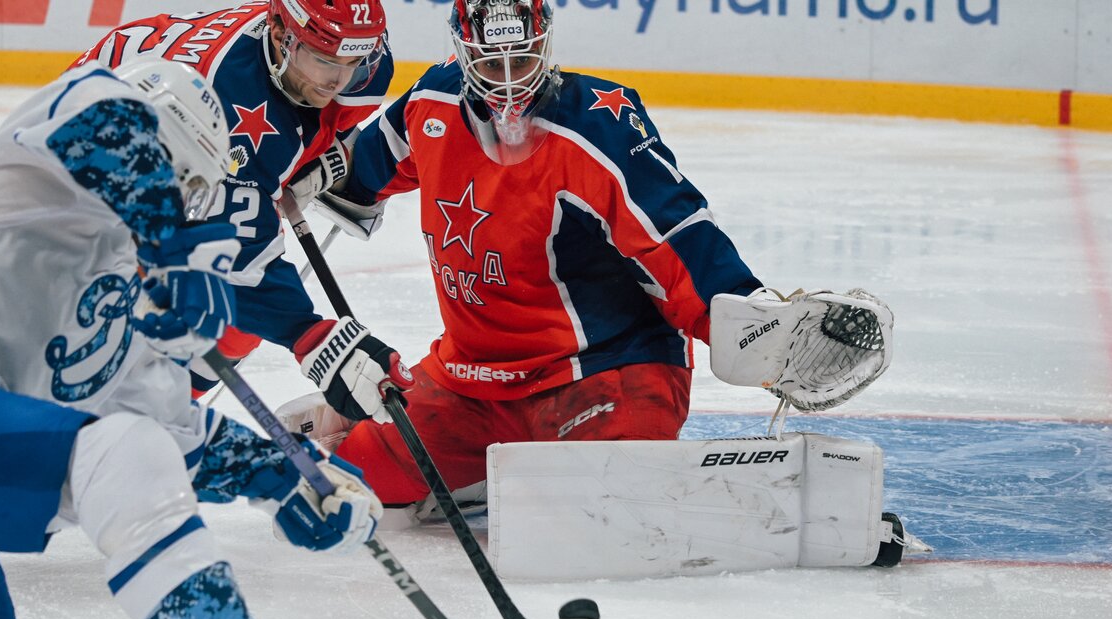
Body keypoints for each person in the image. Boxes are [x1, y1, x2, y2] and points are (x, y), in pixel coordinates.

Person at [0, 58, 419, 619]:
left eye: (193, 189)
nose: (185, 202)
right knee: (115, 446)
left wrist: (289, 475)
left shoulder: (131, 306)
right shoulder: (39, 163)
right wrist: (171, 253)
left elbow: (170, 438)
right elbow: (113, 124)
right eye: (180, 178)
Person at [284, 0, 771, 510]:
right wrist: (291, 172)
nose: (510, 80)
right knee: (352, 484)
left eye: (522, 58)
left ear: (544, 44)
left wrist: (751, 324)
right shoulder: (432, 100)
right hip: (472, 379)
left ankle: (509, 468)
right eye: (492, 63)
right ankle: (475, 469)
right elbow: (357, 171)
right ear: (464, 53)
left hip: (603, 370)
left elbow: (674, 235)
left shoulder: (597, 124)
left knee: (620, 504)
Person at [72, 0, 414, 425]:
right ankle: (117, 417)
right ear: (280, 35)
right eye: (326, 61)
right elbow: (240, 263)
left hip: (195, 131)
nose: (340, 79)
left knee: (234, 322)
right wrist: (313, 338)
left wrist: (303, 160)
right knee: (192, 307)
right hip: (96, 162)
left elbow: (320, 114)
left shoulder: (358, 62)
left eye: (354, 63)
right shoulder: (231, 107)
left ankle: (154, 412)